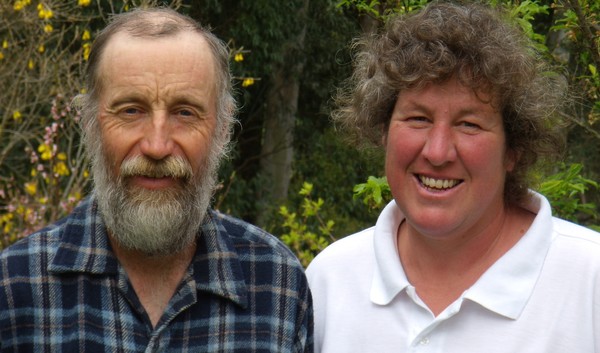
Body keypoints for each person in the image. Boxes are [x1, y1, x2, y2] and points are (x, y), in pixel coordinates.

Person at [0, 8, 312, 352]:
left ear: (222, 130)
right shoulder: (14, 289)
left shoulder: (276, 283)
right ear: (90, 124)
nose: (157, 146)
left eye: (184, 112)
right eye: (131, 111)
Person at [306, 2, 600, 352]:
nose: (438, 152)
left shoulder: (589, 282)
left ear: (513, 150)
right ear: (383, 131)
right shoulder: (330, 280)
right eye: (418, 119)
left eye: (469, 124)